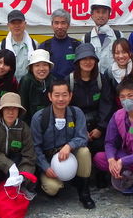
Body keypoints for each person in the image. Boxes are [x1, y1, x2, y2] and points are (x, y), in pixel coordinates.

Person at [31, 79, 95, 209]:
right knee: (52, 189)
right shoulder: (39, 118)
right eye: (57, 95)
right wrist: (45, 167)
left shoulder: (77, 113)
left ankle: (84, 191)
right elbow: (35, 147)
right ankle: (61, 182)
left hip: (71, 155)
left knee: (84, 152)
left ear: (70, 96)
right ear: (50, 96)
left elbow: (83, 137)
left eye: (65, 95)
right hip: (50, 161)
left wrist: (69, 145)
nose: (61, 99)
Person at [0, 93, 36, 218]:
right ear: (1, 110)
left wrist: (23, 176)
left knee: (30, 177)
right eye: (7, 108)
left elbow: (29, 156)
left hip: (16, 166)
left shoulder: (24, 128)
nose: (10, 112)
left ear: (19, 111)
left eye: (14, 108)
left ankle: (16, 194)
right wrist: (9, 165)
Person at [66, 43, 115, 157]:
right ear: (78, 61)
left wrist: (100, 128)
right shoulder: (69, 81)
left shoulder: (101, 80)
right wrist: (80, 131)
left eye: (91, 58)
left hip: (97, 126)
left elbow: (106, 104)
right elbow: (66, 109)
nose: (88, 62)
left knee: (100, 149)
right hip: (76, 126)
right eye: (84, 59)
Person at [0, 9, 38, 82]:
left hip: (29, 85)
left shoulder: (34, 44)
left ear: (25, 24)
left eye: (19, 22)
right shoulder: (2, 45)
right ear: (8, 25)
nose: (17, 26)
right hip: (8, 84)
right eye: (13, 23)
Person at [39, 9, 81, 80]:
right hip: (51, 85)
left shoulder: (77, 45)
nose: (60, 26)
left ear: (68, 25)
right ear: (52, 25)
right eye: (56, 23)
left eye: (63, 23)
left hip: (72, 84)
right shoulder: (44, 46)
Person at [85, 0, 122, 73]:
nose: (101, 15)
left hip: (114, 77)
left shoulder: (118, 35)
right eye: (97, 12)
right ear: (92, 14)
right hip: (94, 78)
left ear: (109, 15)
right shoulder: (86, 38)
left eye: (104, 12)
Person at [18, 49, 54, 125]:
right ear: (31, 68)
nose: (41, 69)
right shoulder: (26, 81)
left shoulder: (53, 81)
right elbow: (22, 107)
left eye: (45, 65)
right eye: (37, 65)